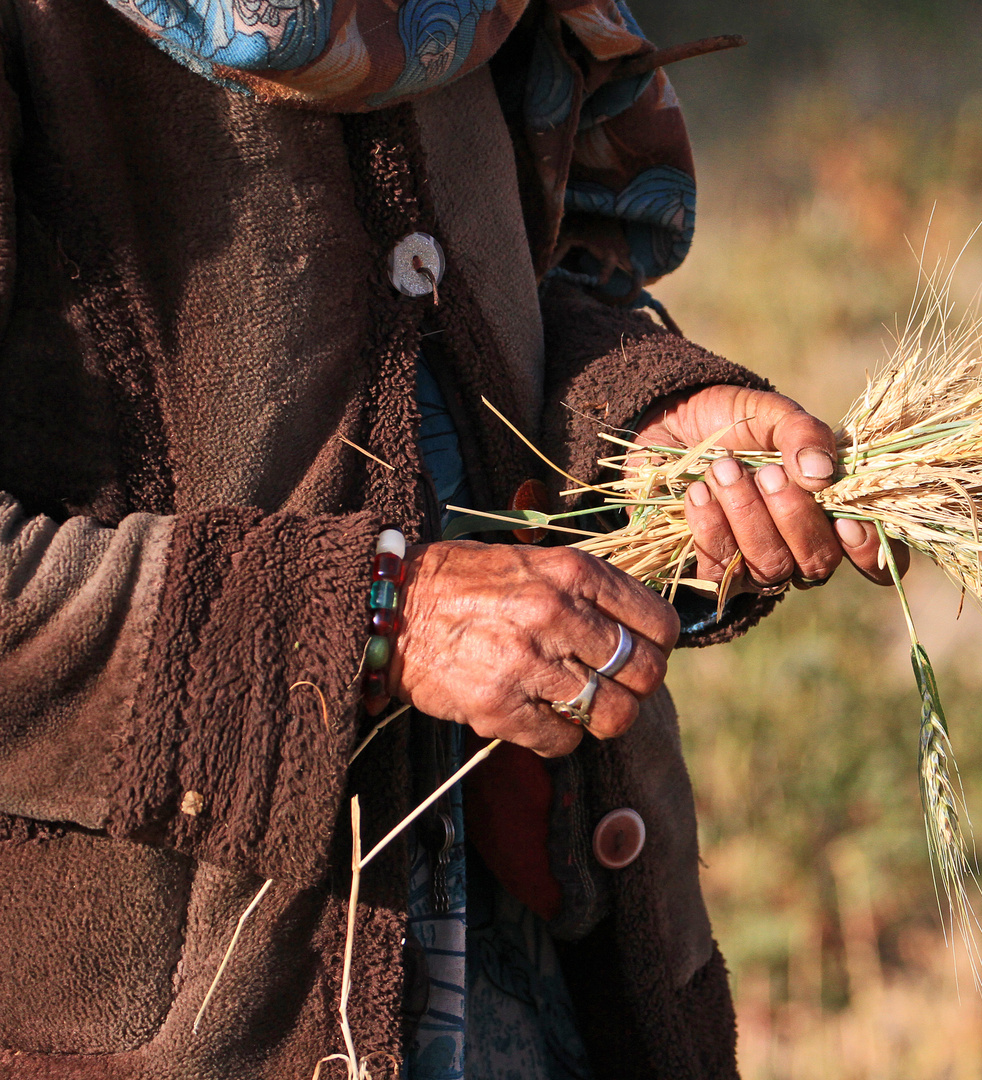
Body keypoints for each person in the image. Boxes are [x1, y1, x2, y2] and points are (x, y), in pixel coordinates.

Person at [0, 0, 903, 1076]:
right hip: (180, 1018)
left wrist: (642, 434)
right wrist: (379, 621)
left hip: (542, 955)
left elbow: (525, 290)